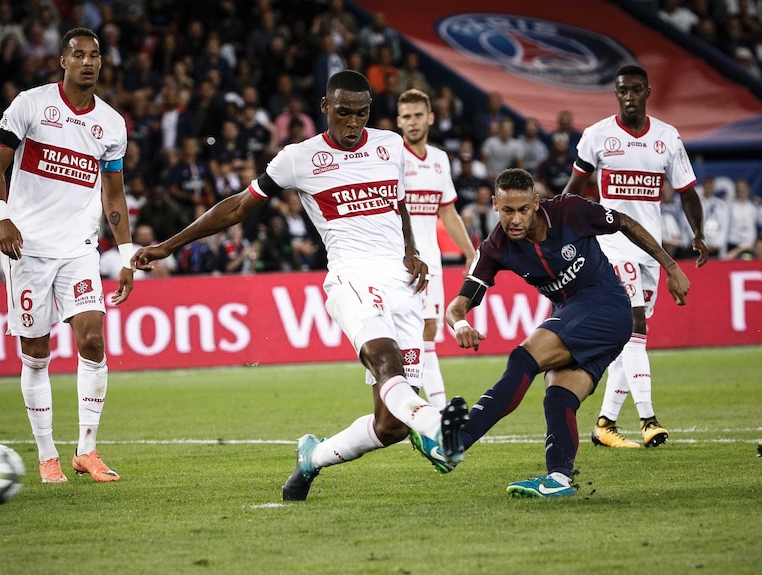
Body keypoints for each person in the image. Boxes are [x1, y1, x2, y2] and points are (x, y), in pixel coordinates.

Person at [132, 70, 470, 501]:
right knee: (385, 361)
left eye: (362, 114)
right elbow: (237, 207)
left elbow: (398, 202)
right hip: (350, 278)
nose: (353, 124)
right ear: (325, 107)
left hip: (402, 284)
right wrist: (168, 246)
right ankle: (438, 426)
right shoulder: (299, 158)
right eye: (344, 113)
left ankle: (312, 458)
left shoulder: (389, 146)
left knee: (390, 427)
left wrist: (410, 250)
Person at [442, 168, 690, 497]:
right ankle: (559, 479)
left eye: (523, 210)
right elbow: (457, 306)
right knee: (558, 397)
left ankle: (459, 442)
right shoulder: (495, 248)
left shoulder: (570, 211)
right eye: (507, 211)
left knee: (523, 358)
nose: (515, 219)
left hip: (607, 305)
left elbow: (626, 223)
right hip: (577, 316)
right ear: (494, 205)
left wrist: (670, 267)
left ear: (536, 202)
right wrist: (461, 324)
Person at [0, 28, 134, 484]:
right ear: (62, 61)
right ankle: (47, 455)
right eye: (78, 55)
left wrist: (126, 253)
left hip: (78, 249)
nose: (87, 62)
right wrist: (1, 217)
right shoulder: (30, 104)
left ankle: (86, 450)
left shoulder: (111, 124)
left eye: (95, 56)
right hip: (27, 248)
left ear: (101, 63)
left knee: (92, 340)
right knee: (36, 353)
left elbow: (114, 194)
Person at [563, 64, 708, 449]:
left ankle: (605, 423)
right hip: (612, 246)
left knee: (632, 337)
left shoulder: (667, 137)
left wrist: (698, 234)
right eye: (622, 90)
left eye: (635, 90)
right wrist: (562, 230)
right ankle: (648, 419)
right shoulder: (597, 136)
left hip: (650, 248)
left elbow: (687, 190)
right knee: (636, 327)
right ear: (616, 94)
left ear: (647, 91)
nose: (628, 96)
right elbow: (573, 190)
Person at [397, 88, 476, 408]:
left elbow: (447, 212)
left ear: (430, 118)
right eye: (406, 117)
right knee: (409, 334)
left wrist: (471, 253)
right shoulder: (393, 156)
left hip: (432, 260)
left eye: (418, 115)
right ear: (399, 122)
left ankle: (434, 412)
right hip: (400, 259)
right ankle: (420, 408)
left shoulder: (440, 159)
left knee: (427, 330)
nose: (412, 122)